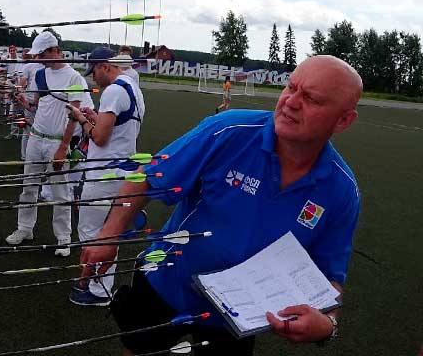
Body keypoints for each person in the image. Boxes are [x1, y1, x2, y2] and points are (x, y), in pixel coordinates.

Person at [80, 55, 362, 354]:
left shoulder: (341, 191)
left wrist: (328, 324)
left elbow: (329, 277)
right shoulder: (228, 131)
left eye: (311, 98)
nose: (291, 102)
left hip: (237, 317)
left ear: (343, 120)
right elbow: (147, 177)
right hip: (166, 285)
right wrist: (109, 235)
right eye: (291, 88)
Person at [68, 46, 144, 306]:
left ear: (105, 67)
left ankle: (97, 289)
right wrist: (96, 117)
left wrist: (81, 119)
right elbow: (118, 126)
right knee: (109, 232)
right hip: (121, 171)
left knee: (92, 231)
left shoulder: (113, 90)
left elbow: (100, 137)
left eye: (94, 72)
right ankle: (99, 286)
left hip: (104, 175)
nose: (92, 78)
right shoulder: (133, 87)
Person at [6, 31, 84, 256]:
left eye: (41, 54)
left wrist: (63, 148)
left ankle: (63, 238)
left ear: (53, 50)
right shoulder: (41, 74)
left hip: (57, 143)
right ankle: (24, 229)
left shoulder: (74, 78)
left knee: (61, 192)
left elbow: (74, 115)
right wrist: (23, 101)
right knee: (28, 187)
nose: (37, 58)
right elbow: (37, 106)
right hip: (36, 138)